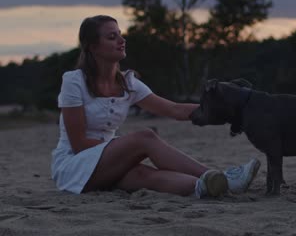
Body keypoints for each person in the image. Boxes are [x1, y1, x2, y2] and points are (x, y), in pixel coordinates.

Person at [51, 15, 260, 198]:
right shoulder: (74, 81)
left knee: (145, 176)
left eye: (120, 34)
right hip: (74, 165)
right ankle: (227, 178)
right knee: (145, 137)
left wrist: (224, 111)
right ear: (93, 47)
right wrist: (124, 147)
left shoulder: (128, 83)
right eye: (112, 37)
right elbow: (78, 144)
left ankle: (210, 186)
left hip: (106, 162)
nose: (122, 41)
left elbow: (174, 109)